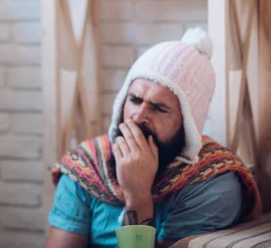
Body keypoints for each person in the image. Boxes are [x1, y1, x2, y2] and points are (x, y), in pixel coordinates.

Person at [45, 27, 261, 248]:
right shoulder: (86, 166)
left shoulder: (212, 184)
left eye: (159, 108)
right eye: (135, 99)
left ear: (188, 123)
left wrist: (137, 199)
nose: (138, 117)